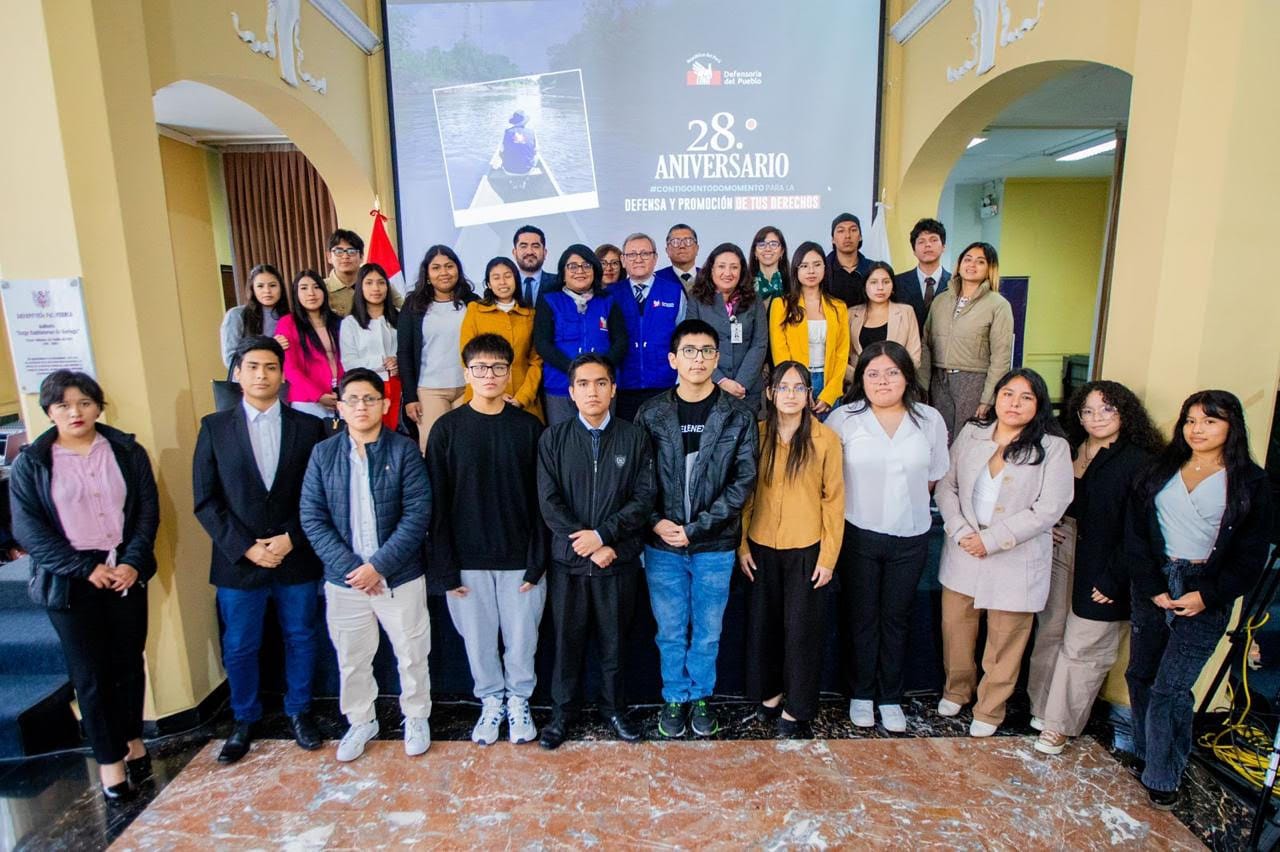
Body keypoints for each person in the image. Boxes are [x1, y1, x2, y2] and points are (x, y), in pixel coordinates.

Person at [10, 371, 158, 801]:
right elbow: (29, 531)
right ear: (49, 411)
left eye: (84, 403)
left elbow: (146, 511)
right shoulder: (34, 462)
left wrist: (132, 561)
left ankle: (132, 741)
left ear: (98, 405)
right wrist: (82, 568)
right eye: (63, 405)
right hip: (70, 580)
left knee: (130, 664)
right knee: (90, 676)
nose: (75, 412)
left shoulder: (126, 450)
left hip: (125, 568)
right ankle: (110, 763)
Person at [1125, 390, 1273, 809]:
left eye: (1210, 421)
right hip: (1155, 580)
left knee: (1171, 687)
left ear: (1231, 426)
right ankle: (1146, 751)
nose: (1198, 429)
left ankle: (1164, 774)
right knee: (1141, 674)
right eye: (1191, 420)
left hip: (1205, 585)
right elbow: (1136, 532)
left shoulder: (1250, 482)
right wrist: (1151, 584)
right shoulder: (1161, 468)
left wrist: (1206, 595)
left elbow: (1250, 556)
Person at [192, 336, 328, 764]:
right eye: (252, 367)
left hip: (295, 555)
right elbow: (205, 500)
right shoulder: (214, 428)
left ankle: (300, 711)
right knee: (240, 644)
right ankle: (244, 717)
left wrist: (292, 537)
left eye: (270, 367)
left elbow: (318, 493)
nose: (261, 375)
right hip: (239, 561)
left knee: (302, 637)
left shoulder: (309, 427)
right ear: (237, 373)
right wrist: (246, 547)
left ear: (282, 374)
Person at [299, 368, 433, 762]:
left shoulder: (404, 449)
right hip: (346, 583)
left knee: (412, 653)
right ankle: (361, 721)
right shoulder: (323, 454)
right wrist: (352, 569)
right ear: (339, 407)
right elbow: (312, 516)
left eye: (370, 399)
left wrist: (379, 566)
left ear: (386, 404)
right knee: (352, 658)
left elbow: (418, 513)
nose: (361, 406)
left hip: (399, 576)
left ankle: (416, 716)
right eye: (353, 399)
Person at [634, 319, 758, 738]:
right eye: (690, 351)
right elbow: (638, 478)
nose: (699, 359)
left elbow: (743, 481)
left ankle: (700, 695)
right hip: (662, 545)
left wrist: (698, 528)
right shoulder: (651, 413)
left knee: (707, 632)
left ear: (717, 358)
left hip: (714, 544)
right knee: (669, 630)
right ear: (673, 359)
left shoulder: (738, 414)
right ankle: (674, 697)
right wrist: (656, 521)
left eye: (707, 351)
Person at [934, 368, 1073, 737]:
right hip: (963, 549)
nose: (1014, 403)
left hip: (1015, 558)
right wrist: (962, 531)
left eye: (1026, 397)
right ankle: (956, 690)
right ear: (995, 397)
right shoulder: (972, 433)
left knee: (1006, 639)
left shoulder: (1053, 448)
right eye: (1008, 394)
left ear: (1039, 405)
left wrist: (992, 540)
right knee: (957, 629)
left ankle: (990, 708)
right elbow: (946, 487)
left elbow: (1050, 508)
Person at [1026, 380, 1162, 756]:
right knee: (1050, 632)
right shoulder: (1066, 447)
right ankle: (1040, 710)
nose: (1096, 418)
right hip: (1062, 547)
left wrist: (1116, 578)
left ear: (1125, 413)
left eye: (1107, 409)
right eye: (1087, 410)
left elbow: (1141, 529)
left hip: (1109, 561)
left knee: (1085, 645)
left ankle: (1059, 726)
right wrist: (1048, 524)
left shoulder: (1138, 460)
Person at [426, 334, 547, 746]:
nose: (490, 375)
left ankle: (519, 701)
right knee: (478, 644)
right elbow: (436, 505)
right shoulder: (446, 430)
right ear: (467, 374)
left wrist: (538, 560)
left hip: (520, 560)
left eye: (498, 367)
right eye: (481, 368)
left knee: (521, 642)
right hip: (466, 562)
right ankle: (491, 702)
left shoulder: (529, 428)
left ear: (510, 371)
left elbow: (541, 502)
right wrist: (443, 567)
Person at [826, 342, 948, 733]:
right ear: (860, 378)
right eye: (873, 373)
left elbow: (933, 478)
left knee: (897, 618)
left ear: (907, 376)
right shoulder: (843, 418)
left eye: (892, 372)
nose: (883, 381)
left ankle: (890, 696)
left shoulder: (929, 419)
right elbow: (827, 479)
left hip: (911, 536)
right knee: (861, 618)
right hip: (858, 533)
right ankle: (861, 694)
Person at [536, 353, 656, 748]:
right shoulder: (553, 438)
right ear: (570, 393)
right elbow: (549, 502)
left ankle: (614, 711)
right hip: (568, 565)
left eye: (600, 383)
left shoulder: (634, 437)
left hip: (615, 562)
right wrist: (586, 544)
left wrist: (604, 537)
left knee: (615, 645)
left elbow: (643, 499)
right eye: (584, 384)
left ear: (613, 388)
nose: (593, 391)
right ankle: (561, 715)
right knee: (565, 645)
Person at [740, 361, 843, 736]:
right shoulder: (758, 434)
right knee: (764, 627)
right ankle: (769, 693)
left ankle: (798, 709)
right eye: (783, 387)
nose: (791, 395)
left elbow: (834, 501)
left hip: (807, 549)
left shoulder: (825, 439)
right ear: (770, 393)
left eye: (799, 388)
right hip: (762, 546)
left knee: (801, 632)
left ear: (809, 395)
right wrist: (741, 545)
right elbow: (745, 494)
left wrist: (828, 558)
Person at [920, 241, 1014, 441]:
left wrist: (988, 398)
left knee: (967, 441)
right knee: (940, 440)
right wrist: (923, 386)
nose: (972, 265)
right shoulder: (940, 301)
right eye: (967, 259)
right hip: (939, 380)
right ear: (959, 264)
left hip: (973, 381)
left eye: (980, 261)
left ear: (990, 268)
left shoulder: (998, 305)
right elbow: (925, 345)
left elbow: (1001, 356)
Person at [533, 245, 629, 426]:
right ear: (563, 272)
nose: (580, 271)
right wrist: (575, 371)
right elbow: (542, 344)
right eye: (573, 266)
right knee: (564, 441)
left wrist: (599, 371)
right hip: (561, 386)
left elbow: (621, 342)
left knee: (603, 441)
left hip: (601, 386)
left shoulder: (608, 301)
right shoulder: (549, 300)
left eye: (586, 266)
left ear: (594, 270)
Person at [398, 245, 478, 451]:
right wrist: (410, 397)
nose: (444, 272)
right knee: (433, 449)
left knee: (467, 449)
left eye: (449, 266)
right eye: (436, 268)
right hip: (429, 390)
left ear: (458, 270)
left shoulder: (473, 302)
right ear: (427, 274)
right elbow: (404, 353)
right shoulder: (413, 305)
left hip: (468, 388)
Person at [611, 232, 687, 421]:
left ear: (655, 258)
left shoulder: (674, 292)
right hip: (623, 387)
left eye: (645, 253)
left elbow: (684, 339)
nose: (638, 259)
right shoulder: (610, 294)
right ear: (623, 259)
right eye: (632, 254)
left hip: (665, 385)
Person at [769, 242, 850, 418]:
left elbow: (842, 354)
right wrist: (799, 388)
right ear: (796, 271)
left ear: (825, 268)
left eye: (817, 265)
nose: (811, 271)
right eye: (804, 266)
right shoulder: (781, 305)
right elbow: (780, 353)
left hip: (829, 383)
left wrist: (830, 393)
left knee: (829, 439)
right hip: (794, 385)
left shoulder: (838, 307)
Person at [687, 242, 769, 414]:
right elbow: (692, 343)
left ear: (742, 271)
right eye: (721, 266)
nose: (727, 273)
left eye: (734, 267)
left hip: (747, 391)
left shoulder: (754, 300)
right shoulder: (697, 299)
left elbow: (759, 344)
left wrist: (741, 383)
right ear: (711, 269)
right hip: (708, 386)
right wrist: (721, 380)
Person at [460, 257, 543, 422]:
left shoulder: (530, 314)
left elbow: (536, 361)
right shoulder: (475, 311)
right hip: (483, 397)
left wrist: (523, 397)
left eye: (507, 276)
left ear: (516, 280)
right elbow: (466, 356)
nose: (503, 282)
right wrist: (493, 392)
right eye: (496, 277)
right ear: (489, 284)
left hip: (523, 398)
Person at [339, 263, 401, 429]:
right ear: (360, 287)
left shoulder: (398, 316)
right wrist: (381, 362)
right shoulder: (350, 323)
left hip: (397, 386)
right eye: (369, 283)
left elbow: (408, 350)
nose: (376, 288)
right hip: (367, 389)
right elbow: (349, 362)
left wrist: (398, 362)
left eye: (381, 282)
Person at [275, 270, 343, 421]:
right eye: (304, 288)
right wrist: (318, 395)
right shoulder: (288, 323)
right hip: (307, 400)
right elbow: (290, 368)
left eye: (316, 287)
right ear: (295, 293)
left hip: (340, 398)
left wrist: (344, 392)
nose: (311, 293)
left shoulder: (338, 321)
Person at [848, 261, 922, 373]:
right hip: (858, 383)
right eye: (873, 282)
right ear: (864, 286)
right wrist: (861, 379)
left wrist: (893, 378)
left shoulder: (906, 312)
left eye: (886, 282)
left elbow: (914, 356)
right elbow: (842, 357)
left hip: (896, 384)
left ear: (893, 286)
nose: (880, 287)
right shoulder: (851, 314)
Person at [220, 263, 288, 369]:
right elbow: (230, 359)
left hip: (283, 380)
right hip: (248, 382)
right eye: (260, 286)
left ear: (281, 287)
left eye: (272, 285)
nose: (267, 291)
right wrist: (271, 345)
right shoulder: (236, 315)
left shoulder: (289, 317)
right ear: (252, 289)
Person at [325, 229, 402, 317]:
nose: (345, 256)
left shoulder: (379, 284)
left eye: (351, 251)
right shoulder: (320, 289)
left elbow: (405, 311)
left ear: (361, 256)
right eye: (339, 252)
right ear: (329, 257)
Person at [894, 218, 950, 331]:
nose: (928, 245)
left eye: (933, 240)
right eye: (921, 241)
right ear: (914, 250)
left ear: (943, 247)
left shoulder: (956, 283)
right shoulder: (897, 283)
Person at [826, 213, 873, 307]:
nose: (847, 235)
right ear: (833, 239)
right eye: (841, 231)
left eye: (853, 230)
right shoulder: (823, 270)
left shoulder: (872, 269)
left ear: (860, 237)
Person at [513, 224, 557, 303]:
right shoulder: (504, 284)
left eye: (535, 246)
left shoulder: (559, 283)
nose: (529, 252)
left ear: (544, 253)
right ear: (514, 253)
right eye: (523, 246)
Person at [655, 223, 700, 292]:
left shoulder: (710, 277)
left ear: (697, 248)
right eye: (675, 242)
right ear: (667, 250)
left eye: (688, 241)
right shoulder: (656, 279)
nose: (682, 246)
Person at [748, 226, 788, 302]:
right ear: (755, 252)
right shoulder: (746, 285)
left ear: (782, 251)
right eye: (762, 244)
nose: (768, 249)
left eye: (773, 244)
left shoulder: (792, 284)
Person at [499, 110, 537, 175]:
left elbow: (500, 152)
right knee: (536, 153)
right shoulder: (532, 132)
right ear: (525, 122)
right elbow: (535, 151)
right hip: (527, 170)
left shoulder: (507, 132)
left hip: (508, 169)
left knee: (501, 151)